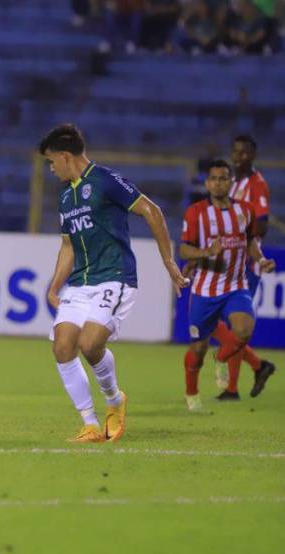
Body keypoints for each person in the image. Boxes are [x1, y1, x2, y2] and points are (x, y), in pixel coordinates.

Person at [42, 124, 188, 443]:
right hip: (81, 283)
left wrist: (168, 261)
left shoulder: (106, 181)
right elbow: (68, 246)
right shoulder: (66, 196)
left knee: (90, 344)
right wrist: (54, 287)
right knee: (63, 346)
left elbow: (152, 211)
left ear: (66, 156)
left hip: (115, 275)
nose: (50, 169)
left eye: (52, 161)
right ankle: (90, 425)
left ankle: (114, 401)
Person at [180, 159, 276, 412]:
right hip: (204, 290)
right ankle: (192, 395)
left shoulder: (245, 209)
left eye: (223, 178)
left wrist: (262, 260)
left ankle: (220, 357)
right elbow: (183, 248)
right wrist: (205, 251)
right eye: (213, 178)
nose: (218, 183)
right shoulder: (196, 212)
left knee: (244, 330)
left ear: (231, 182)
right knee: (197, 350)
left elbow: (250, 241)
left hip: (236, 285)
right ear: (207, 182)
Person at [206, 134, 276, 398]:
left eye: (245, 153)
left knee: (234, 326)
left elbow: (262, 224)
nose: (239, 157)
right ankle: (259, 365)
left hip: (246, 264)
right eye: (236, 152)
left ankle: (232, 388)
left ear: (253, 155)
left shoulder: (257, 185)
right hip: (224, 262)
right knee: (210, 320)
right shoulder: (230, 183)